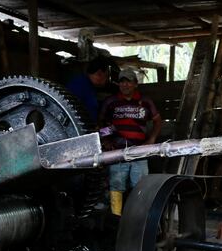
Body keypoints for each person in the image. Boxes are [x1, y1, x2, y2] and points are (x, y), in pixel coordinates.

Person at [99, 67, 162, 215]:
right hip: (117, 152)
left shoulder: (145, 101)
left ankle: (138, 218)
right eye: (122, 82)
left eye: (128, 82)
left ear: (135, 84)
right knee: (116, 185)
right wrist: (106, 140)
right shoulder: (111, 102)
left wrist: (152, 139)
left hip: (140, 150)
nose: (125, 85)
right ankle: (116, 218)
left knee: (141, 186)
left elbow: (158, 121)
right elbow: (100, 123)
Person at [67, 57, 109, 121]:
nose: (105, 81)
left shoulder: (89, 85)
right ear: (99, 73)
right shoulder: (79, 85)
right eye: (105, 76)